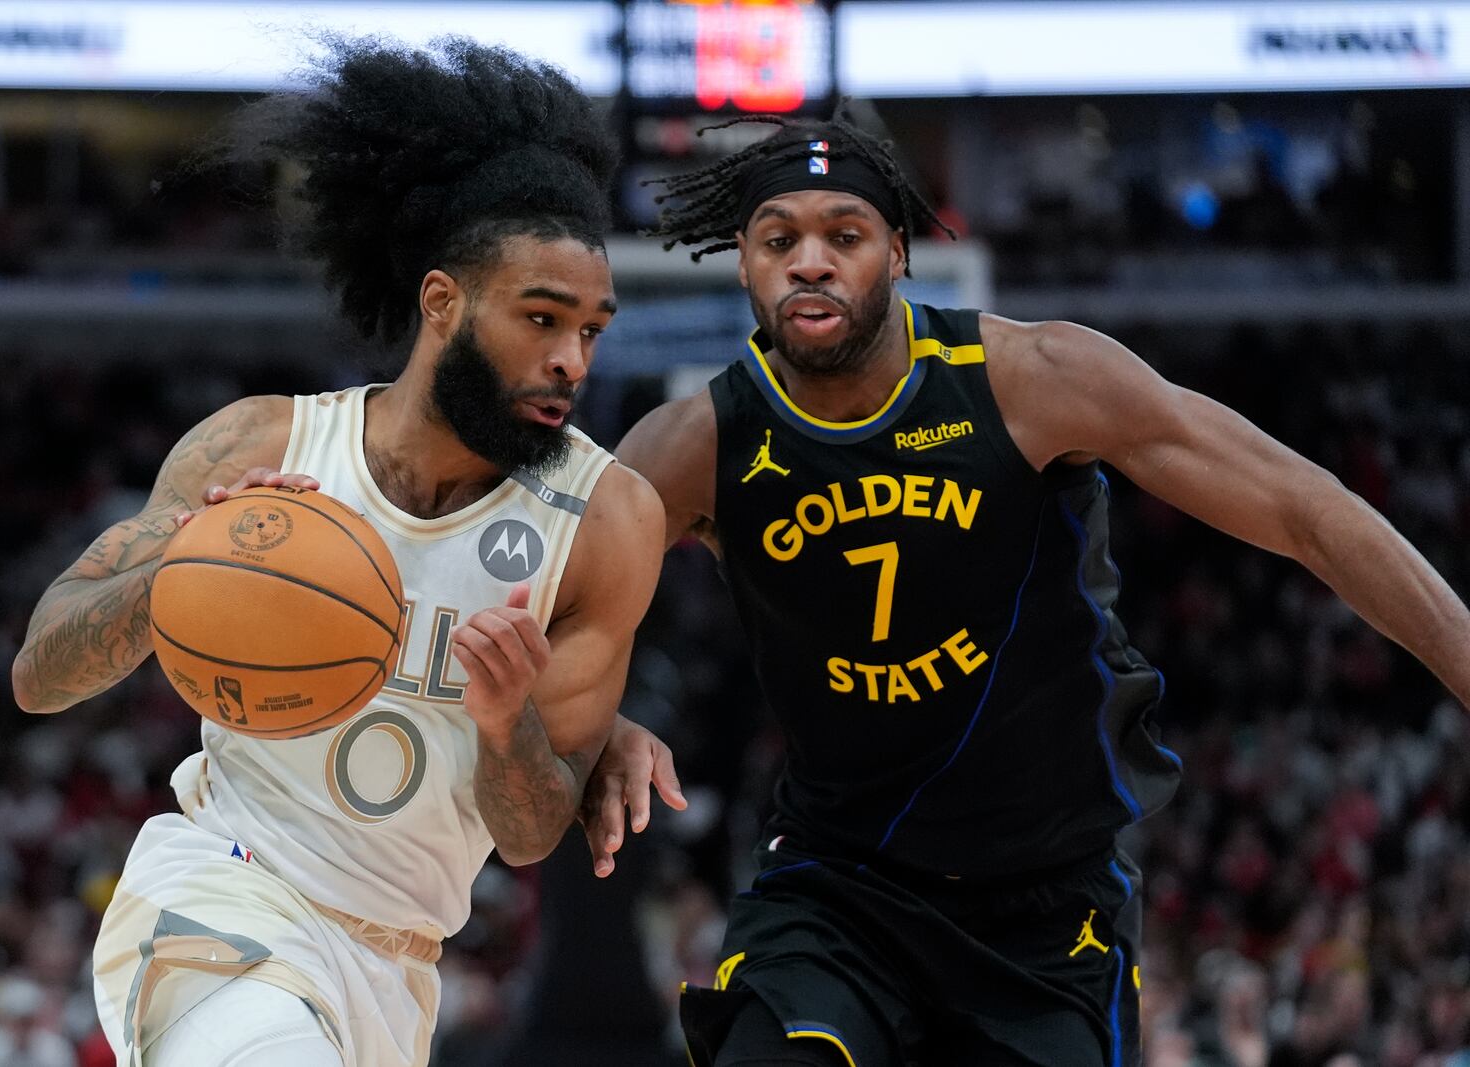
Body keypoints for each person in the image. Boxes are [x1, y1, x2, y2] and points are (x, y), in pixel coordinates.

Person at [581, 111, 1470, 1066]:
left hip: (1045, 905)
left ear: (901, 253)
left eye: (844, 234)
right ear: (747, 265)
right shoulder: (694, 446)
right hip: (837, 888)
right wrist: (604, 719)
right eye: (778, 239)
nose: (810, 261)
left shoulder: (1031, 381)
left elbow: (1307, 509)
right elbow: (555, 612)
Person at [10, 39, 663, 1067]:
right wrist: (181, 559)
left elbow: (533, 831)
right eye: (541, 319)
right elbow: (41, 675)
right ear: (442, 303)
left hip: (398, 963)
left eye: (589, 329)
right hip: (220, 897)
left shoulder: (607, 519)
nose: (570, 359)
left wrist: (502, 729)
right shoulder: (262, 443)